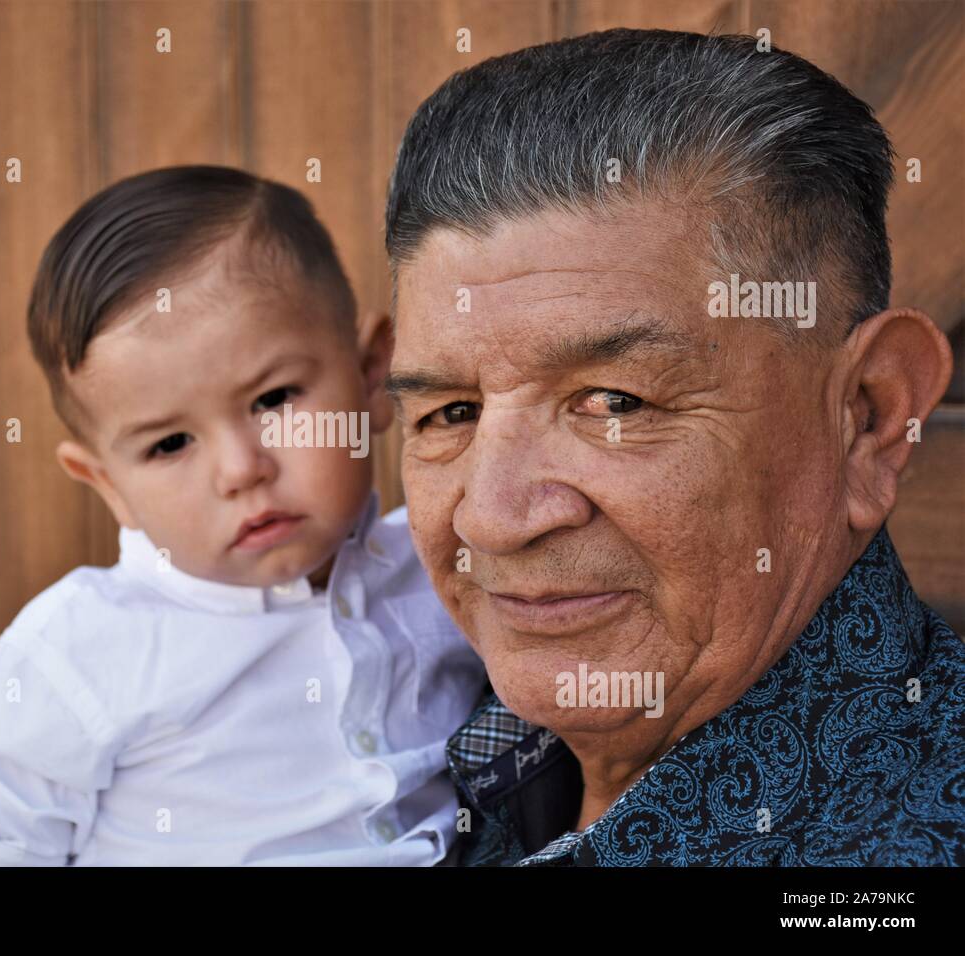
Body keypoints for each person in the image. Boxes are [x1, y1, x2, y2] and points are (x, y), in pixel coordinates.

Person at [383, 29, 963, 865]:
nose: (493, 520)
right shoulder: (402, 735)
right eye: (450, 413)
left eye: (614, 402)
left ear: (867, 419)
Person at [0, 165, 486, 865]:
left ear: (374, 375)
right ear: (106, 483)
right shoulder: (84, 648)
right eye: (170, 444)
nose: (241, 469)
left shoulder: (445, 567)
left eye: (274, 400)